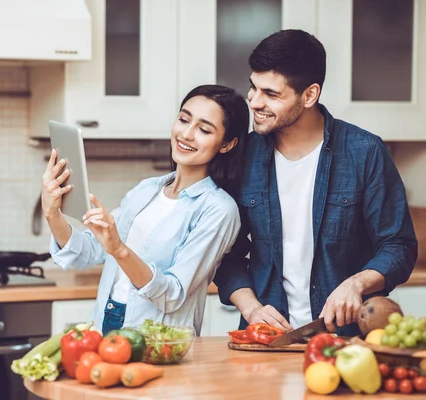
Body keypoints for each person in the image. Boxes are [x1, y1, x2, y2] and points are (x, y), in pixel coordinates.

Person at [213, 29, 418, 337]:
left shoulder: (365, 152)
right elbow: (228, 256)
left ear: (309, 95)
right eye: (253, 88)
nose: (254, 102)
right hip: (266, 339)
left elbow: (398, 246)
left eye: (271, 94)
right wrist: (251, 308)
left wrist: (355, 283)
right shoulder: (244, 156)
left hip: (347, 338)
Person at [42, 85, 249, 335]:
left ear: (227, 144)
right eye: (184, 119)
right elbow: (86, 252)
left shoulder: (219, 210)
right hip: (104, 323)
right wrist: (53, 214)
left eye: (204, 129)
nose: (187, 134)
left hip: (158, 342)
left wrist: (119, 249)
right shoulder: (147, 189)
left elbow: (173, 294)